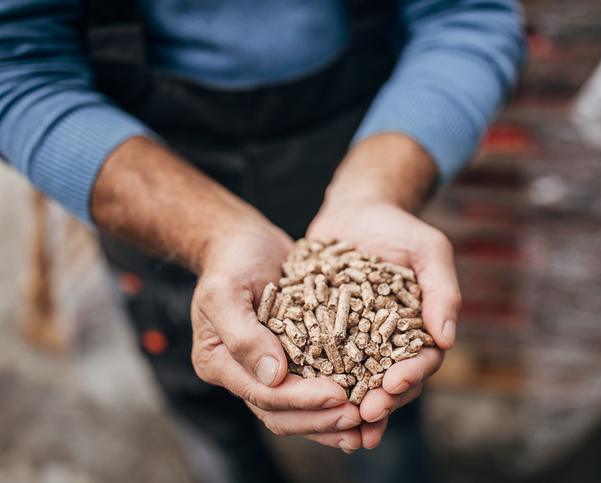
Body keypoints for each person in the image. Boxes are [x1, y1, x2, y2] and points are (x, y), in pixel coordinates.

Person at [0, 0, 526, 481]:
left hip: (353, 149)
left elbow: (469, 16)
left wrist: (378, 187)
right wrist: (212, 232)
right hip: (148, 208)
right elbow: (16, 68)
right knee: (215, 425)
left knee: (388, 423)